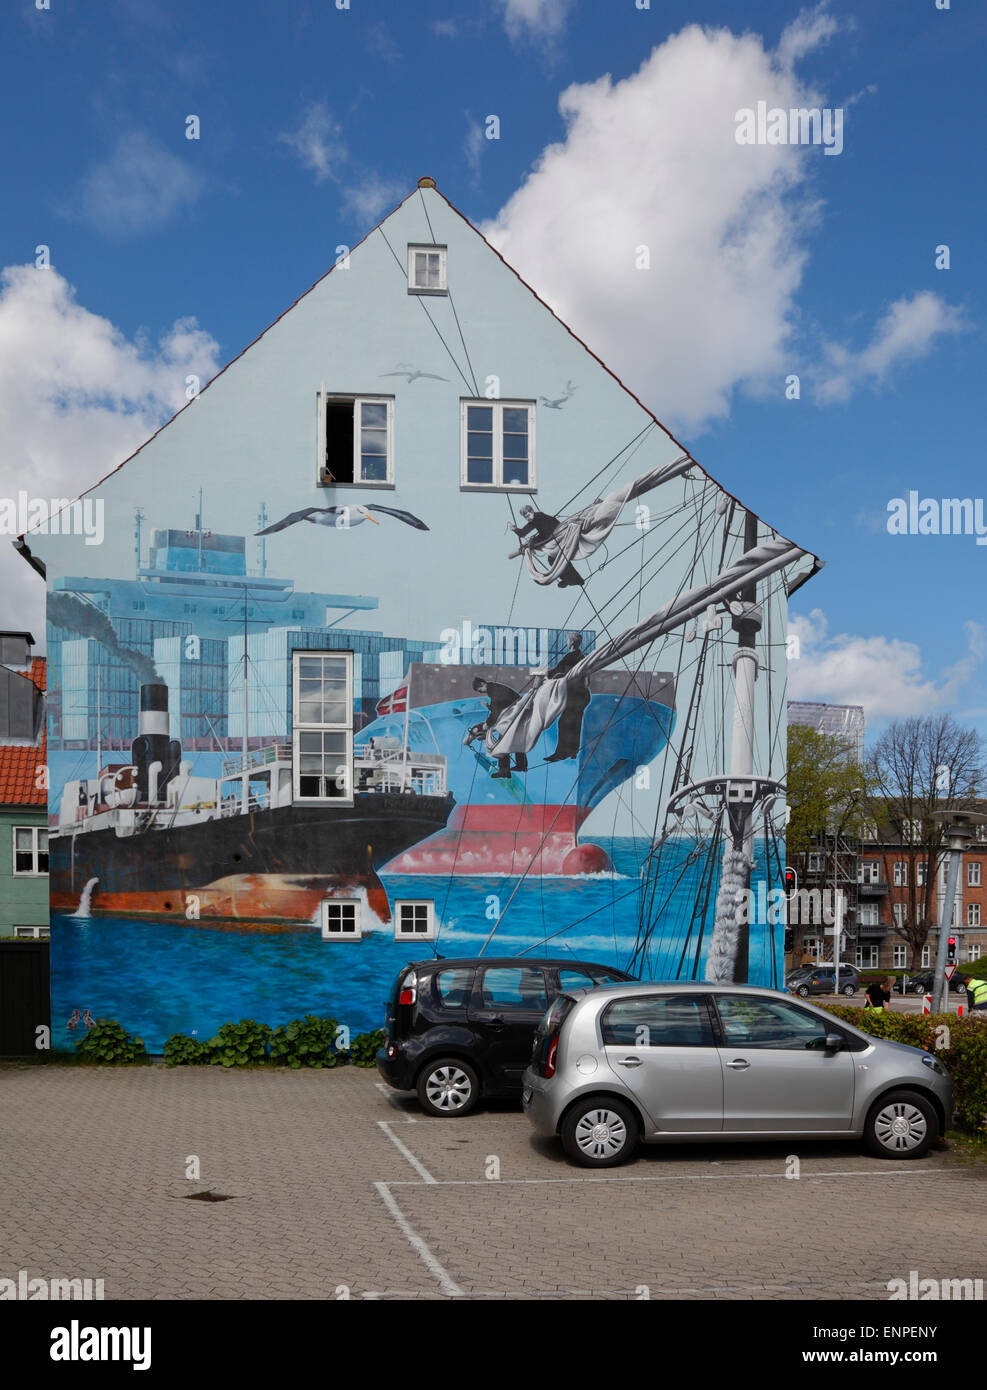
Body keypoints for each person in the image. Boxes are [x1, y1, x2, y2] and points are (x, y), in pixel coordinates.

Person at [510, 506, 585, 589]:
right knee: (556, 559)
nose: (527, 518)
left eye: (528, 515)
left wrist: (533, 541)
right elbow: (523, 533)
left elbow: (547, 533)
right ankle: (573, 579)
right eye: (525, 517)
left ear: (532, 512)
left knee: (555, 559)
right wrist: (515, 529)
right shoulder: (535, 519)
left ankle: (575, 580)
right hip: (554, 539)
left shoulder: (539, 517)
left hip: (560, 537)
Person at [544, 633, 590, 762]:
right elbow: (587, 680)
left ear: (571, 643)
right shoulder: (582, 657)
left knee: (564, 723)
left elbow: (555, 672)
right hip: (583, 695)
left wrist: (542, 673)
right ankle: (572, 752)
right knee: (575, 723)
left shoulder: (570, 657)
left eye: (567, 640)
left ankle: (561, 754)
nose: (566, 642)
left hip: (574, 696)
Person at [472, 676, 527, 779]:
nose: (481, 693)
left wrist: (487, 724)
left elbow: (496, 712)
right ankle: (521, 765)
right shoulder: (495, 688)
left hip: (512, 717)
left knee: (502, 745)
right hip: (517, 715)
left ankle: (504, 771)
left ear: (483, 684)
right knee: (516, 739)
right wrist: (488, 706)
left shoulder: (494, 691)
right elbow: (500, 705)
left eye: (480, 690)